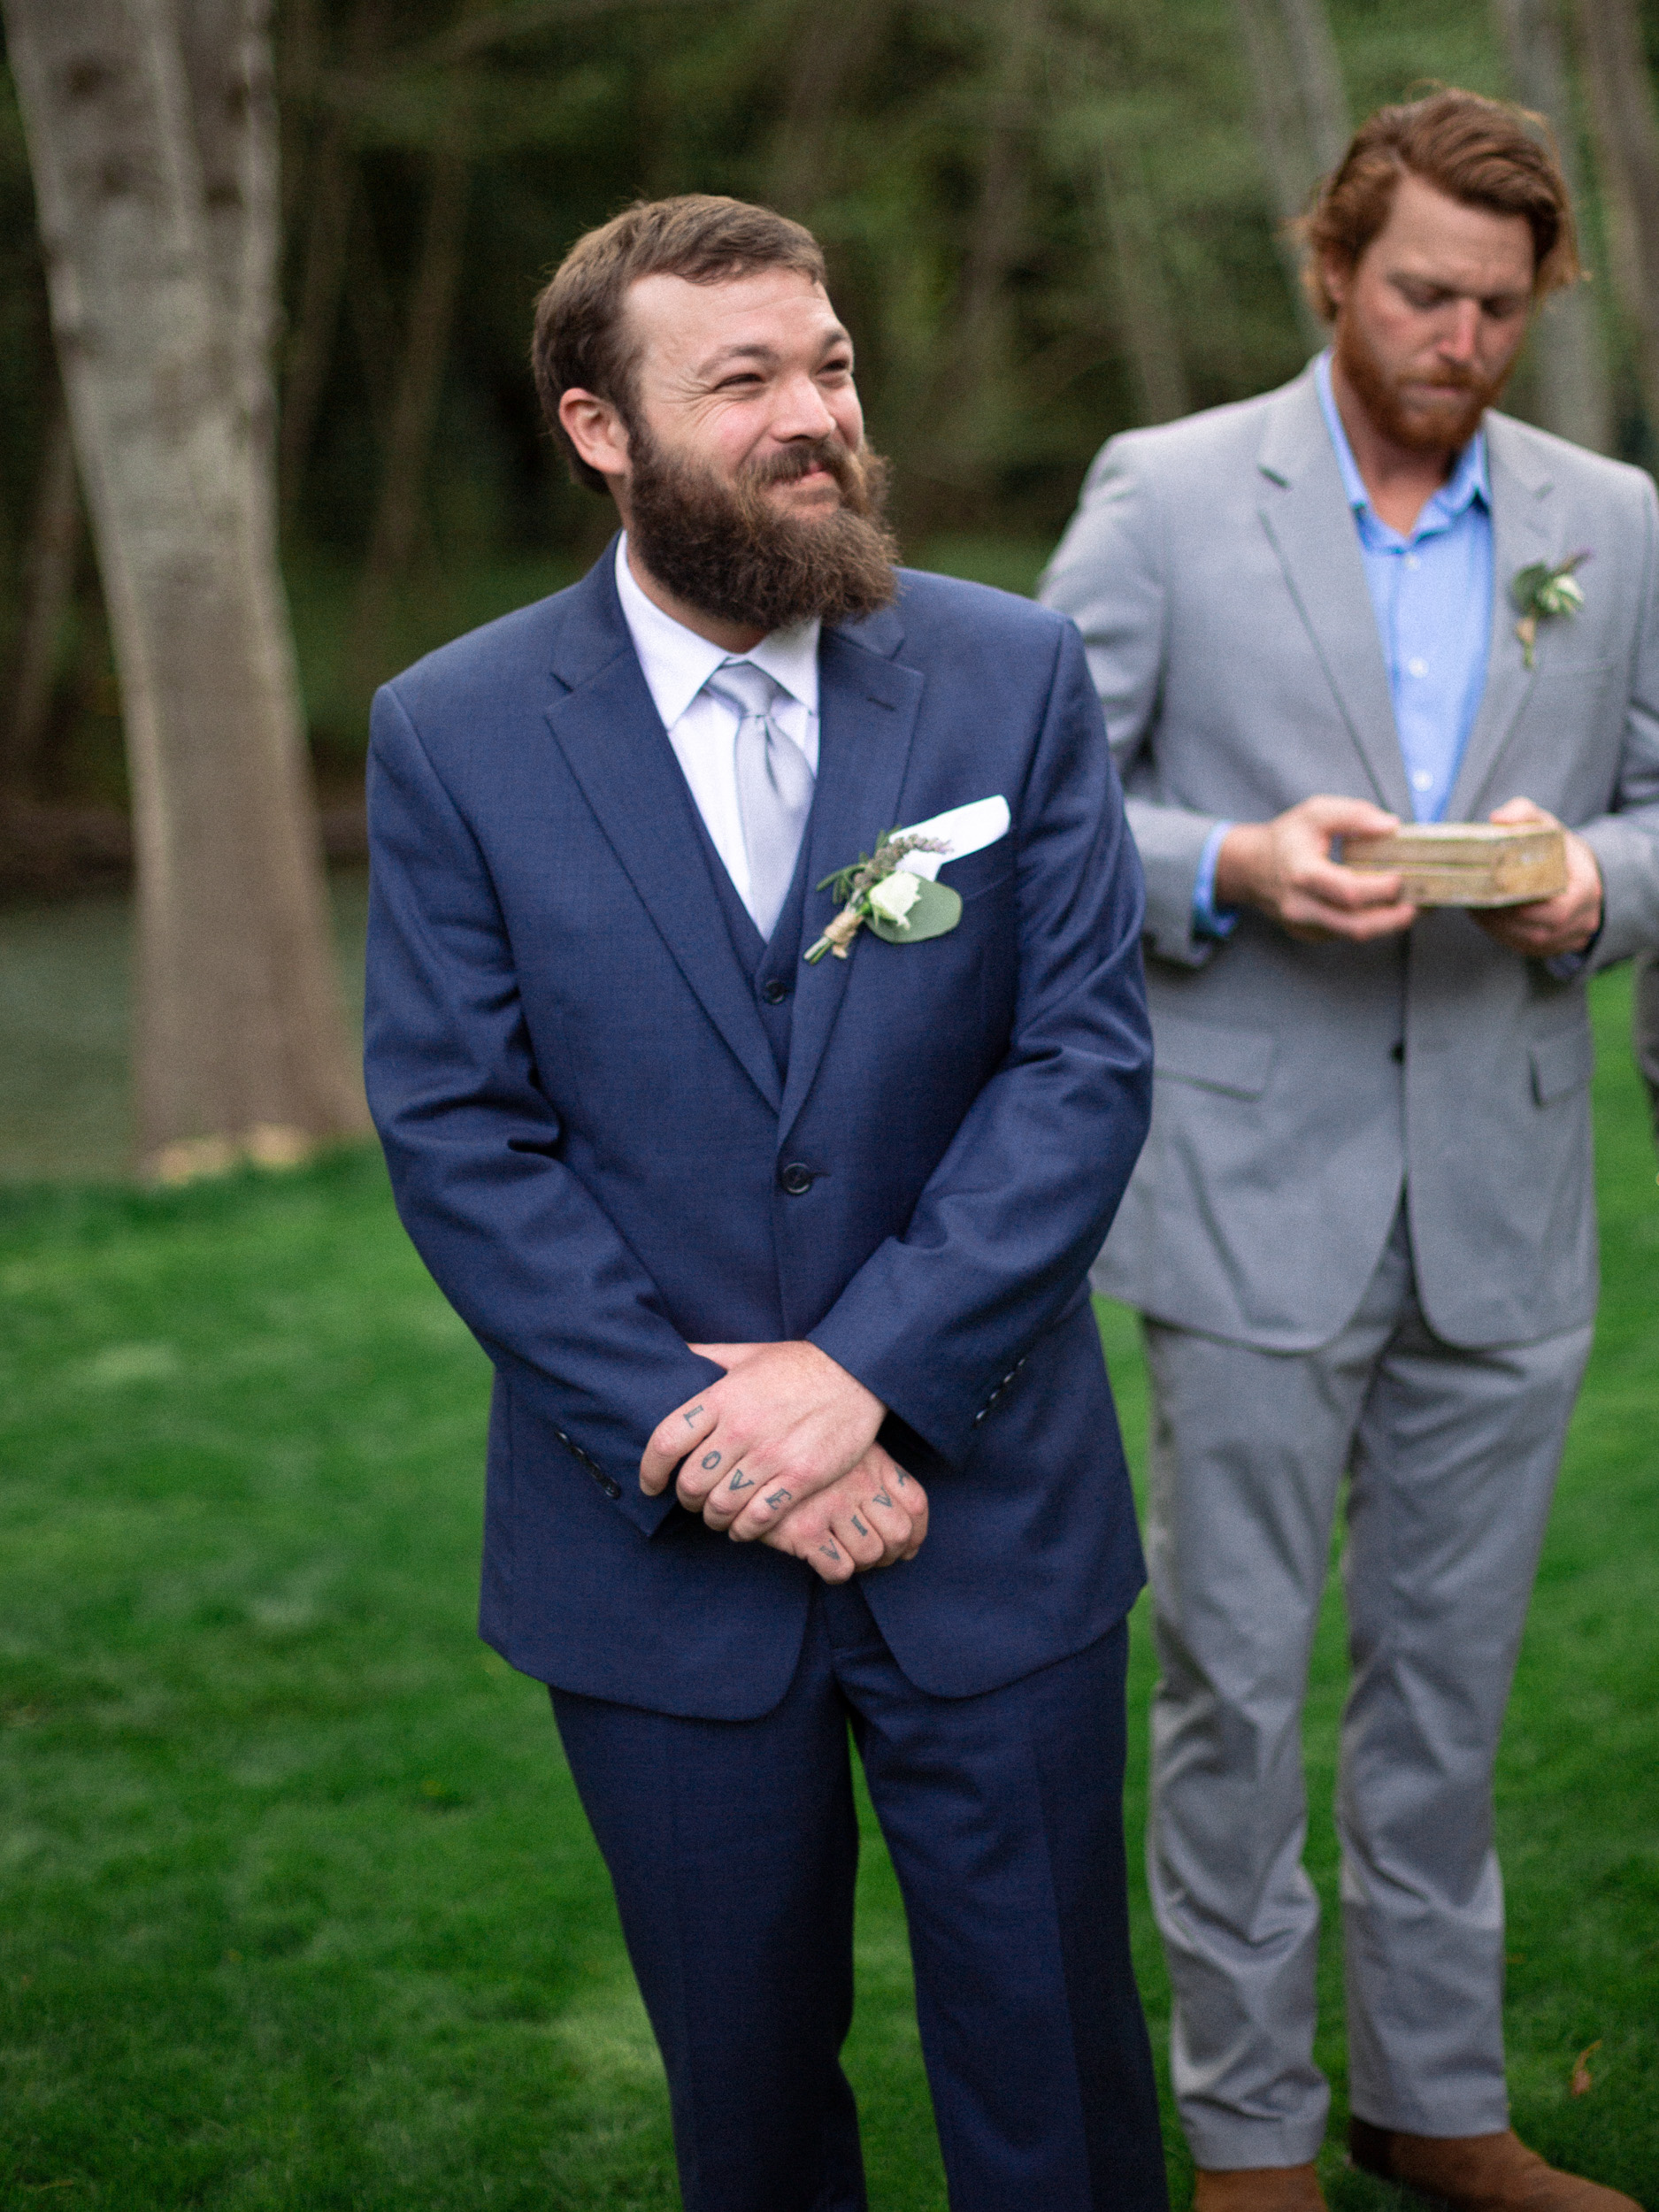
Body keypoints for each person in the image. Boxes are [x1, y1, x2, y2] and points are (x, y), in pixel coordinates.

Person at [364, 194, 1168, 2212]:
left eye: (825, 365)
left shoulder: (1008, 673)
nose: (812, 414)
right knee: (744, 2113)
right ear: (597, 426)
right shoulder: (451, 732)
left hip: (986, 1512)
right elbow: (461, 1131)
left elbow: (1078, 1066)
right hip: (656, 1551)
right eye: (742, 381)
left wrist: (863, 1382)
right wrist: (721, 1430)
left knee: (1059, 2091)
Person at [1041, 90, 1657, 2212]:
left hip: (1505, 1196)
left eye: (1495, 302)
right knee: (1223, 1678)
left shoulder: (1614, 516)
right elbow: (1036, 812)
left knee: (1449, 1684)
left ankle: (1431, 2099)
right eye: (1417, 289)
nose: (1455, 334)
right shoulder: (1169, 491)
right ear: (1330, 267)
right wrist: (1224, 859)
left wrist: (1590, 886)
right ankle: (1245, 2137)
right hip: (1237, 1198)